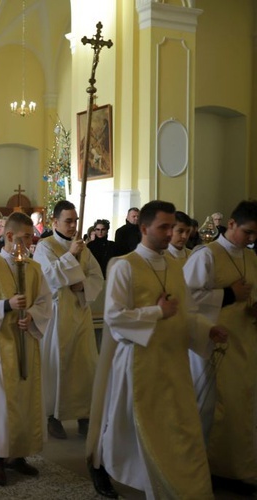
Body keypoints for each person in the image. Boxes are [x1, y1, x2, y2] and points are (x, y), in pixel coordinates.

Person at [94, 200, 227, 499]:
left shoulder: (175, 265)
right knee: (144, 434)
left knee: (178, 429)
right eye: (163, 227)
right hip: (140, 362)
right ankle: (148, 484)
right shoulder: (124, 266)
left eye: (173, 227)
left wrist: (208, 330)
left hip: (175, 362)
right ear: (143, 228)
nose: (170, 234)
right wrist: (156, 313)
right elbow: (114, 318)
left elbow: (186, 313)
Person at [0, 212, 52, 486]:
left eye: (31, 237)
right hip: (0, 343)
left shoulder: (34, 268)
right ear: (8, 236)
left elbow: (44, 302)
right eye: (25, 237)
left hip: (26, 339)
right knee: (2, 402)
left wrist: (32, 316)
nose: (31, 242)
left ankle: (18, 454)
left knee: (26, 398)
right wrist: (6, 305)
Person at [183, 200, 257, 495]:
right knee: (216, 408)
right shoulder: (207, 255)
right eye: (248, 232)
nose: (252, 239)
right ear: (232, 224)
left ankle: (239, 467)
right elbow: (186, 297)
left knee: (244, 406)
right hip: (215, 340)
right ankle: (213, 468)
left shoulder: (251, 258)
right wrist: (228, 294)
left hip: (245, 340)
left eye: (256, 235)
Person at [33, 200, 103, 440]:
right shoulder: (45, 246)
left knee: (84, 365)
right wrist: (71, 257)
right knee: (57, 365)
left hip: (79, 313)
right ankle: (53, 416)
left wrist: (81, 284)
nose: (73, 225)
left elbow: (97, 277)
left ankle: (84, 415)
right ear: (55, 222)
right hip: (57, 315)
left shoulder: (84, 248)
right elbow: (48, 277)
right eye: (68, 221)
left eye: (75, 220)